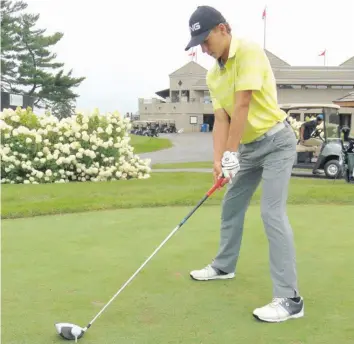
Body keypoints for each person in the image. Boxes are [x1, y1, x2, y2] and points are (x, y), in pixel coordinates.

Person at [184, 6, 304, 323]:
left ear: (223, 29)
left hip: (277, 141)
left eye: (206, 40)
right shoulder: (212, 75)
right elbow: (221, 118)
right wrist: (218, 160)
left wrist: (231, 153)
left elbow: (243, 102)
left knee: (271, 212)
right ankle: (224, 266)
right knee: (232, 204)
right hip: (248, 148)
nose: (204, 48)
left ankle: (291, 299)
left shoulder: (249, 50)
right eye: (199, 43)